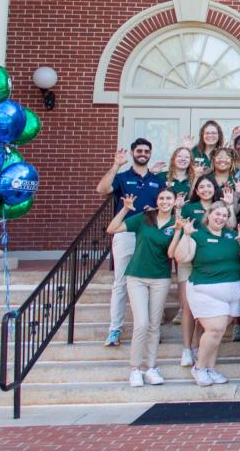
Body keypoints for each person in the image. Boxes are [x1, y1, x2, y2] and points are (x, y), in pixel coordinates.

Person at [94, 139, 166, 348]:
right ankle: (115, 329)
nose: (143, 153)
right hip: (126, 233)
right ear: (133, 153)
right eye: (139, 150)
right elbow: (102, 189)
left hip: (150, 235)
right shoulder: (122, 177)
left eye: (146, 151)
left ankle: (151, 328)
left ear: (150, 154)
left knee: (150, 282)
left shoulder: (157, 180)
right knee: (121, 282)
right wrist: (116, 165)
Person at [106, 187, 180, 386]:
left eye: (168, 198)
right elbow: (111, 229)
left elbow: (172, 254)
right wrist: (124, 209)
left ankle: (151, 367)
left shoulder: (176, 223)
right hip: (137, 276)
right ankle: (135, 369)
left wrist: (179, 231)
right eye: (162, 198)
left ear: (174, 202)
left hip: (160, 278)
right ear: (157, 200)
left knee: (155, 325)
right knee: (141, 323)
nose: (165, 201)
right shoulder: (144, 218)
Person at [173, 201, 240, 386]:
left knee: (217, 334)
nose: (220, 218)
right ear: (209, 215)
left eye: (224, 215)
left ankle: (210, 369)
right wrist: (186, 235)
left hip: (232, 291)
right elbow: (181, 258)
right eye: (217, 214)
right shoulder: (198, 235)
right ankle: (199, 368)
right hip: (204, 288)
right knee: (215, 329)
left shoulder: (232, 235)